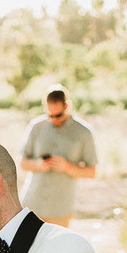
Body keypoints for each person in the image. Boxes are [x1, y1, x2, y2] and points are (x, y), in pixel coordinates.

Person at [20, 84, 97, 227]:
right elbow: (22, 162)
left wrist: (67, 167)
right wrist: (38, 165)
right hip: (31, 205)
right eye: (50, 115)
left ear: (67, 106)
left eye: (58, 115)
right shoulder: (36, 127)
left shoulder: (84, 132)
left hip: (60, 210)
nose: (54, 119)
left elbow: (91, 172)